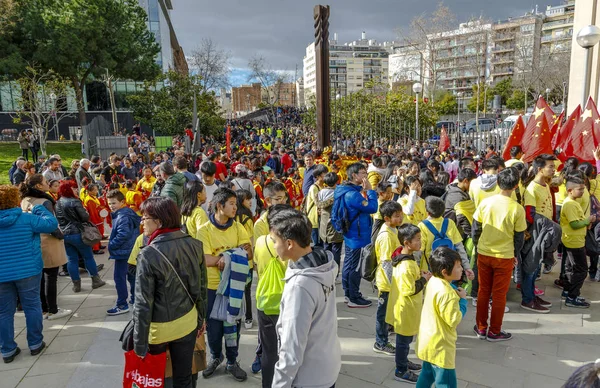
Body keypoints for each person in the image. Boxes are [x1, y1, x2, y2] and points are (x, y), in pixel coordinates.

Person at [133, 197, 207, 388]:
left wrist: (139, 344)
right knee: (183, 376)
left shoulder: (148, 253)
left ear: (159, 221)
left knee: (158, 377)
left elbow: (143, 303)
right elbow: (201, 288)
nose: (142, 222)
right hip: (188, 322)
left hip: (160, 329)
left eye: (145, 217)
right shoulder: (195, 245)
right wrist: (200, 319)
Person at [269, 207, 341, 388]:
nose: (273, 246)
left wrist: (280, 384)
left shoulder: (300, 286)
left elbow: (292, 348)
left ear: (290, 243)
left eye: (274, 241)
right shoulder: (324, 264)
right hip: (326, 365)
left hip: (308, 377)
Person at [0, 184, 58, 363]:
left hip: (2, 274)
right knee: (32, 306)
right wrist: (38, 208)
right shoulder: (27, 219)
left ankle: (7, 350)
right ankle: (35, 343)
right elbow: (51, 224)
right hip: (28, 271)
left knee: (3, 312)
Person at [200, 188, 251, 382]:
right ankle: (215, 357)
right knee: (213, 329)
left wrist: (225, 257)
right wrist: (232, 254)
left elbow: (248, 252)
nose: (235, 208)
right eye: (232, 204)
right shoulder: (204, 230)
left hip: (233, 287)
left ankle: (231, 361)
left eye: (236, 204)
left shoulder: (238, 227)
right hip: (212, 287)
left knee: (233, 326)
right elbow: (205, 259)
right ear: (220, 206)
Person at [472, 167, 526, 341]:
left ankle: (481, 328)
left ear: (497, 182)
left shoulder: (485, 203)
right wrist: (515, 254)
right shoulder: (517, 209)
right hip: (504, 256)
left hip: (484, 252)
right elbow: (519, 237)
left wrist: (478, 245)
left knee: (483, 291)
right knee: (499, 295)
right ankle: (495, 331)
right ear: (516, 186)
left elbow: (475, 229)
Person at [19, 175, 72, 321]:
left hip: (33, 241)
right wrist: (61, 235)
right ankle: (53, 309)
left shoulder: (25, 200)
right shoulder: (44, 202)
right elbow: (51, 224)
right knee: (51, 276)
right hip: (48, 241)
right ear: (38, 186)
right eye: (44, 182)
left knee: (40, 277)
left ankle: (43, 309)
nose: (47, 183)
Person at [416, 247, 468, 388]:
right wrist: (463, 301)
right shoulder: (448, 294)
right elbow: (454, 320)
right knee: (446, 383)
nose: (462, 269)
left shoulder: (433, 281)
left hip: (428, 341)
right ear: (445, 272)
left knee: (427, 374)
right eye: (458, 266)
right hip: (441, 346)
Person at [387, 224, 430, 384]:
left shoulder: (407, 258)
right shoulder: (405, 266)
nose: (420, 242)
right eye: (417, 240)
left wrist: (420, 275)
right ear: (406, 243)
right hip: (405, 309)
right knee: (403, 342)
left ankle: (404, 362)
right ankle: (401, 369)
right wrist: (424, 280)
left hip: (408, 307)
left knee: (406, 340)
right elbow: (409, 289)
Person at [252, 204, 289, 386]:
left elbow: (258, 267)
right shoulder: (290, 245)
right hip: (286, 303)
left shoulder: (260, 242)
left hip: (265, 300)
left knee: (269, 350)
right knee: (287, 350)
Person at [334, 162, 378, 308]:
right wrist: (371, 191)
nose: (365, 175)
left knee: (349, 264)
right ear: (354, 175)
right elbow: (372, 207)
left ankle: (349, 293)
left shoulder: (346, 190)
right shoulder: (352, 195)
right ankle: (354, 296)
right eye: (363, 173)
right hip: (357, 236)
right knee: (355, 267)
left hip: (351, 233)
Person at [55, 180, 106, 292]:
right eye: (73, 188)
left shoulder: (58, 202)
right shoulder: (74, 201)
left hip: (65, 234)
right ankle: (95, 280)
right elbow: (85, 217)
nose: (76, 189)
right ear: (69, 189)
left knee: (71, 260)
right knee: (88, 257)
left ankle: (76, 285)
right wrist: (85, 212)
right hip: (78, 233)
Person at [522, 154, 557, 311]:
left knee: (536, 267)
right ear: (540, 169)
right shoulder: (532, 189)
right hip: (535, 233)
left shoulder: (546, 185)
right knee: (531, 266)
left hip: (544, 233)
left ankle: (532, 295)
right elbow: (530, 214)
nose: (553, 169)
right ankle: (527, 299)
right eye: (550, 166)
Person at [373, 201, 403, 356]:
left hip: (392, 281)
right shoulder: (386, 236)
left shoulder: (393, 230)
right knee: (382, 313)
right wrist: (394, 282)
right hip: (386, 282)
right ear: (386, 218)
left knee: (387, 312)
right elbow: (386, 263)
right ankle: (380, 342)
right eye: (397, 216)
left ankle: (386, 334)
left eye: (401, 214)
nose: (401, 218)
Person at [418, 197, 473, 280]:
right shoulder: (449, 223)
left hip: (429, 271)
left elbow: (418, 252)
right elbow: (459, 247)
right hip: (449, 270)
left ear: (427, 212)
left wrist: (416, 270)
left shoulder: (422, 226)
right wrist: (467, 267)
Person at [560, 176, 594, 308]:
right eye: (580, 189)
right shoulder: (570, 204)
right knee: (581, 270)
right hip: (574, 241)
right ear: (570, 190)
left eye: (583, 189)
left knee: (571, 267)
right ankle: (572, 297)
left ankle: (568, 291)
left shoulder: (573, 203)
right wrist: (588, 220)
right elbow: (574, 224)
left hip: (574, 239)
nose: (582, 192)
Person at [106, 189, 141, 314]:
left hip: (123, 252)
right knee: (131, 277)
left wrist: (111, 245)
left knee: (119, 278)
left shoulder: (122, 216)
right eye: (109, 203)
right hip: (130, 250)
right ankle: (135, 299)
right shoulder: (127, 213)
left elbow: (123, 234)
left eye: (114, 203)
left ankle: (122, 304)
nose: (111, 206)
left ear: (122, 202)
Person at [235, 189, 256, 329]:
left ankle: (236, 316)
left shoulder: (232, 217)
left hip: (235, 259)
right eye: (247, 199)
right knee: (247, 291)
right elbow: (251, 240)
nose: (250, 202)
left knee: (235, 290)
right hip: (247, 260)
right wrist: (254, 258)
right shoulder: (247, 218)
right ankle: (248, 317)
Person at [317, 172, 344, 274]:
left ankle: (326, 270)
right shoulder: (339, 193)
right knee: (336, 250)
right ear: (337, 181)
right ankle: (335, 272)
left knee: (326, 249)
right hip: (336, 225)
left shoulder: (320, 193)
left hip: (324, 225)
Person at [306, 164, 328, 247]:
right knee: (317, 245)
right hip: (315, 219)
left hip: (322, 219)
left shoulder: (324, 186)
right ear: (318, 176)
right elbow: (318, 203)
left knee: (323, 243)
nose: (326, 175)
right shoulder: (314, 187)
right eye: (324, 173)